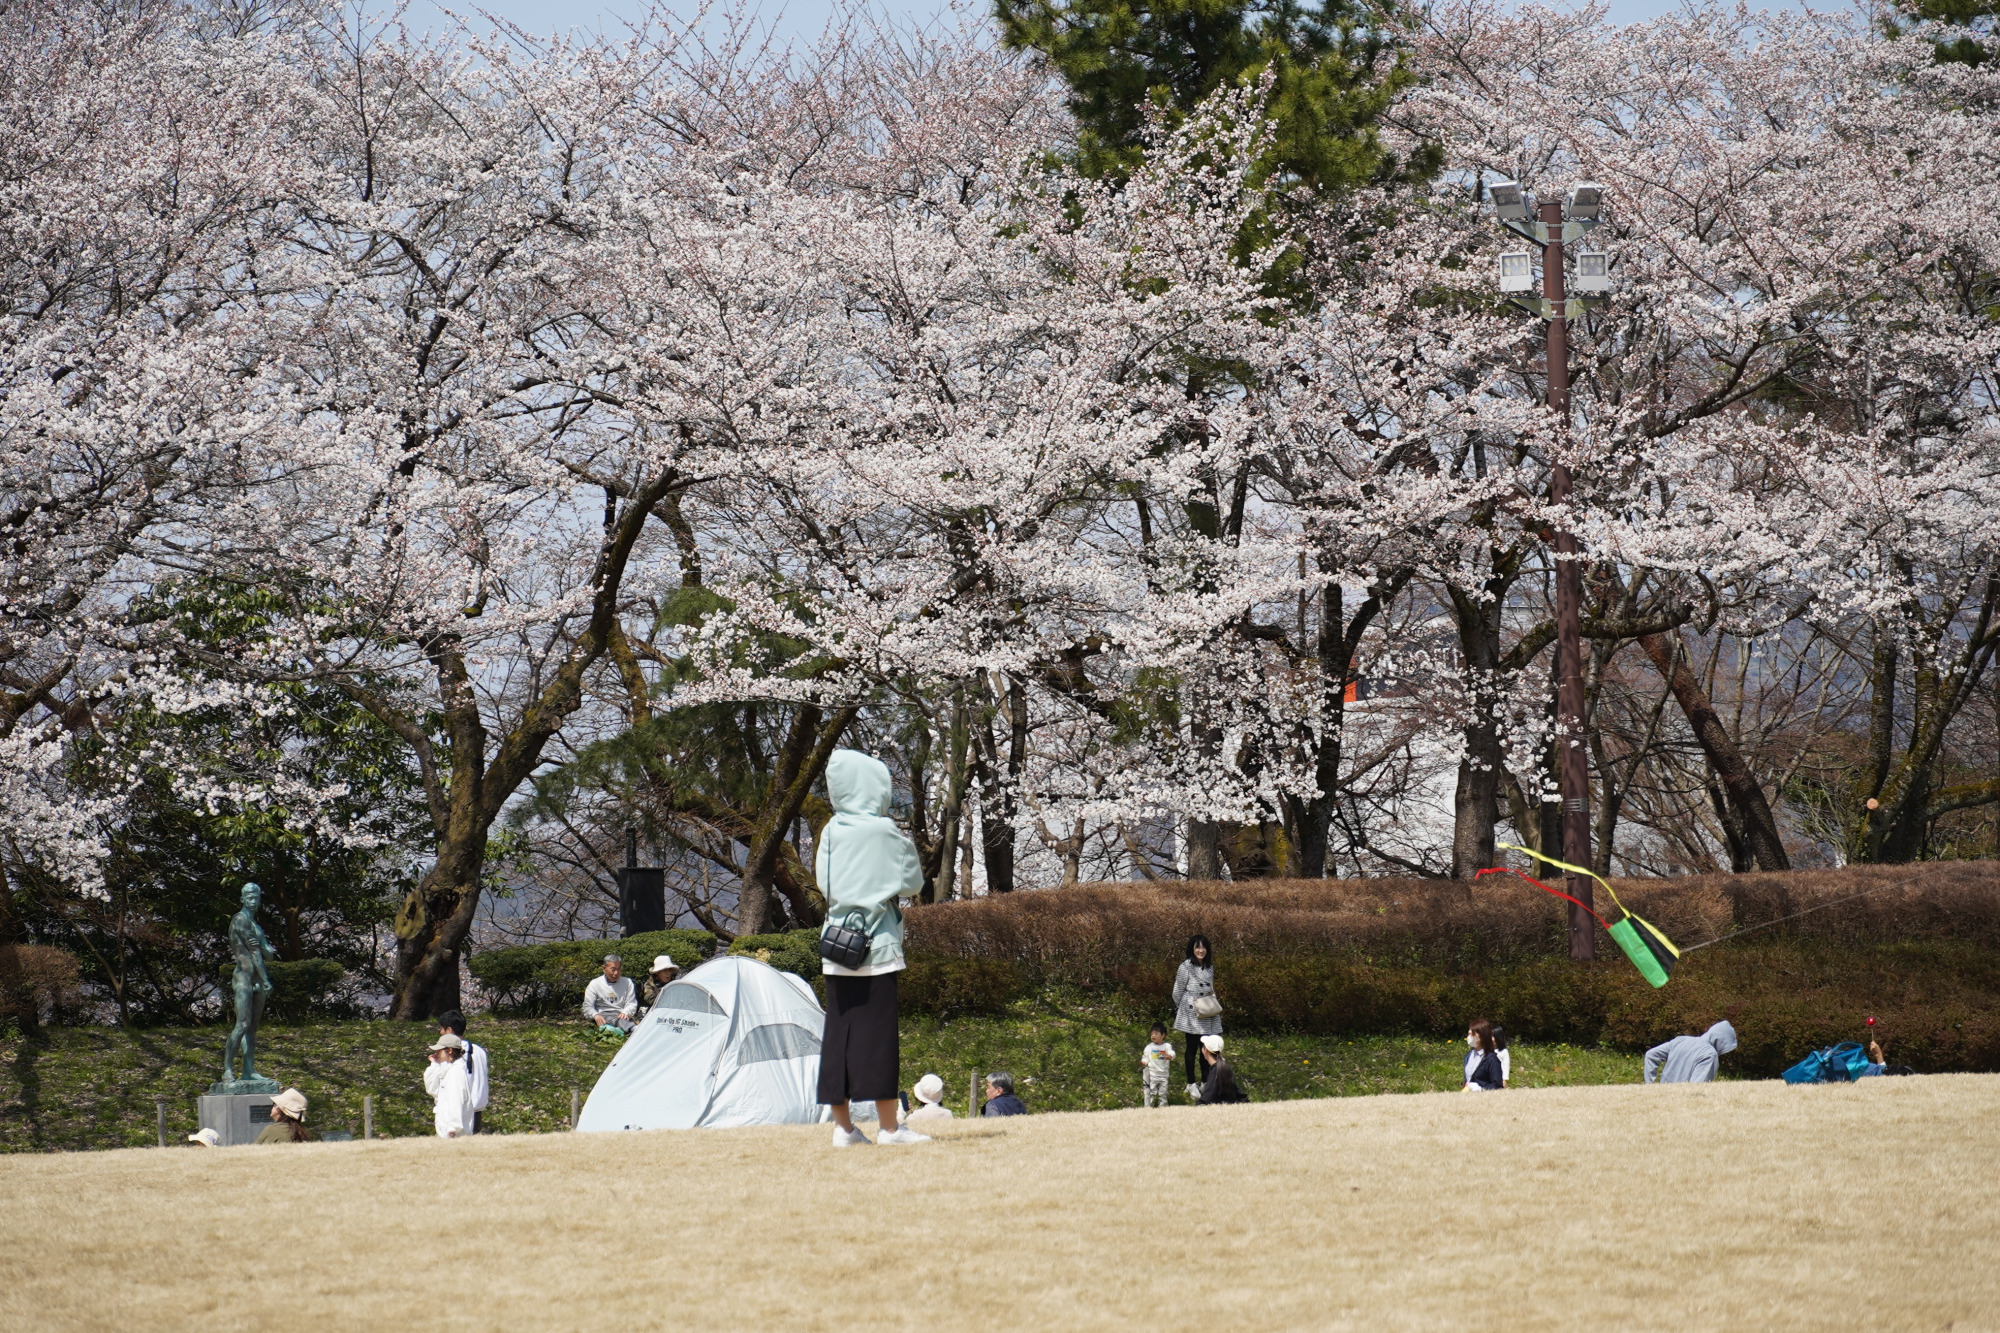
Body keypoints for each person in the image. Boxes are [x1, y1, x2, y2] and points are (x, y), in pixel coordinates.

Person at [815, 748, 929, 1147]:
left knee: (839, 1038)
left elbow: (824, 885)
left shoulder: (831, 829)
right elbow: (914, 885)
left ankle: (843, 1130)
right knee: (879, 1039)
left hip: (837, 945)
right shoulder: (886, 832)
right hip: (877, 946)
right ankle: (889, 1129)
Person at [1171, 933, 1221, 1099]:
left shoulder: (1209, 967)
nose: (1201, 950)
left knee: (1205, 1048)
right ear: (1192, 949)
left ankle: (1205, 1082)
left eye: (1204, 947)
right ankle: (1191, 1083)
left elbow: (1211, 987)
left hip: (1207, 1011)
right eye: (1197, 947)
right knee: (1191, 1048)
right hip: (1191, 1013)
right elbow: (1177, 992)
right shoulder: (1185, 967)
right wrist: (1185, 1007)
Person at [437, 1011, 489, 1134]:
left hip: (461, 1112)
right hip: (478, 1110)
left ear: (448, 1030)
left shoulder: (450, 1053)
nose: (440, 1033)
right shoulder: (479, 1050)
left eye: (441, 1029)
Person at [1643, 1020, 1738, 1083]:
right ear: (1721, 1042)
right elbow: (1696, 1089)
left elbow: (1650, 1055)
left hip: (1660, 1099)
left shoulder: (1681, 1040)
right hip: (1681, 1107)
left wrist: (1650, 1087)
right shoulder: (1710, 1054)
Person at [425, 1033, 474, 1138]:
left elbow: (456, 1099)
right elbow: (432, 1089)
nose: (437, 1053)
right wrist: (434, 1064)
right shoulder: (449, 1070)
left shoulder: (456, 1072)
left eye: (440, 1050)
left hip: (453, 1134)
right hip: (446, 1132)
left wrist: (453, 1128)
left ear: (449, 1050)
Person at [583, 954, 637, 1034]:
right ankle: (633, 1029)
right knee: (613, 1019)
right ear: (604, 969)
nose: (616, 973)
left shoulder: (627, 982)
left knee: (621, 1020)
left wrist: (625, 1012)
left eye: (618, 969)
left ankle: (630, 1028)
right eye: (613, 969)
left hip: (621, 1014)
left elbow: (631, 1003)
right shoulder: (595, 984)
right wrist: (595, 1015)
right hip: (603, 1014)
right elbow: (587, 1006)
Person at [1196, 1035, 1249, 1105]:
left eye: (1203, 1046)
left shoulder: (1215, 1072)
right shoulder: (1224, 1068)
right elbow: (1240, 1095)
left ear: (1206, 1050)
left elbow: (1207, 1099)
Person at [1141, 1022, 1175, 1108]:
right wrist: (1143, 1062)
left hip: (1164, 1075)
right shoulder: (1149, 1047)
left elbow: (1171, 1053)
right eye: (1151, 1034)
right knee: (1151, 1091)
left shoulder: (1166, 1046)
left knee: (1163, 1093)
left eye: (1156, 1034)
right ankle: (1149, 1107)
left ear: (1163, 1035)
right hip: (1152, 1075)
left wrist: (1170, 1056)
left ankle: (1163, 1106)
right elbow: (1145, 1057)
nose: (1153, 1036)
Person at [1463, 1019, 1504, 1092]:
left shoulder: (1492, 1059)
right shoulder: (1469, 1055)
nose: (1469, 1037)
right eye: (1468, 1034)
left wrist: (1481, 1089)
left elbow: (1497, 1085)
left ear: (1482, 1036)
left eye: (1472, 1034)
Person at [1492, 1023, 1512, 1089]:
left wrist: (1504, 1079)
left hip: (1498, 1078)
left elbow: (1505, 1066)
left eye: (1492, 1036)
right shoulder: (1487, 1050)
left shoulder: (1503, 1052)